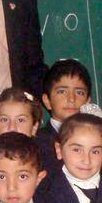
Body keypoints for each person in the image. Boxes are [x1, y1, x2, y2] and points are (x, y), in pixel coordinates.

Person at [36, 59, 92, 191]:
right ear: (47, 100)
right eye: (62, 91)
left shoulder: (100, 140)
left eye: (79, 92)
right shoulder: (35, 144)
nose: (71, 99)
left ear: (88, 101)